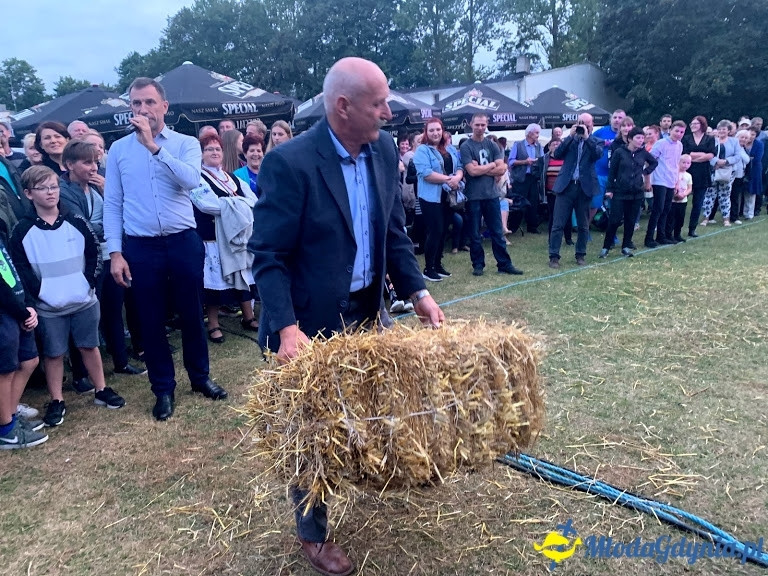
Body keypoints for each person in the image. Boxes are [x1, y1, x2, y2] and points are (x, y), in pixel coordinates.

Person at [249, 57, 443, 576]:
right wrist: (287, 327)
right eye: (378, 103)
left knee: (372, 404)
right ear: (343, 107)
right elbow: (267, 255)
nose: (388, 111)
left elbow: (393, 234)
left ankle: (372, 473)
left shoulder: (382, 150)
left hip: (365, 312)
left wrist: (418, 293)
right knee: (309, 433)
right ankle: (312, 534)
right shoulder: (289, 163)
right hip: (308, 324)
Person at [103, 76, 228, 423]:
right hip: (141, 245)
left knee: (192, 313)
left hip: (182, 240)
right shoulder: (118, 151)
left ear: (164, 107)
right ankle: (163, 389)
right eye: (136, 104)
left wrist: (155, 149)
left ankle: (200, 378)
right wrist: (115, 252)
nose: (142, 109)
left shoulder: (185, 143)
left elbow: (191, 180)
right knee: (151, 319)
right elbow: (113, 203)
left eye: (148, 103)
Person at [10, 166, 125, 427]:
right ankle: (57, 399)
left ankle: (101, 389)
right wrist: (38, 294)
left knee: (89, 346)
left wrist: (89, 283)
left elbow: (95, 252)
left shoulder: (75, 220)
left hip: (83, 299)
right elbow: (21, 268)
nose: (50, 193)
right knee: (54, 353)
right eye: (43, 188)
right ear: (28, 194)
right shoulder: (23, 230)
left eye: (54, 186)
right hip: (49, 306)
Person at [58, 140, 146, 379]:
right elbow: (79, 225)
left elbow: (124, 212)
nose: (94, 167)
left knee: (113, 311)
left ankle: (121, 362)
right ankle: (80, 373)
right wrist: (111, 227)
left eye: (96, 161)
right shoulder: (63, 190)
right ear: (69, 165)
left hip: (110, 256)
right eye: (87, 162)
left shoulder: (99, 186)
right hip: (84, 261)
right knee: (85, 316)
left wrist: (108, 193)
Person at [195, 133, 258, 343]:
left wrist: (233, 203)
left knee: (243, 274)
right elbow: (207, 205)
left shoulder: (232, 177)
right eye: (209, 149)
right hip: (212, 239)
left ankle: (248, 317)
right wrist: (237, 203)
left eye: (218, 149)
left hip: (236, 237)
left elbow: (254, 200)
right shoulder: (197, 178)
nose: (214, 152)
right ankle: (213, 324)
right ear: (201, 154)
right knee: (215, 284)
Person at [0, 217, 46, 448]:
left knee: (29, 360)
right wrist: (20, 311)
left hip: (18, 305)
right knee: (5, 369)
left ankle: (9, 416)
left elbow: (11, 267)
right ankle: (6, 431)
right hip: (6, 311)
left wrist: (28, 304)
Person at [459, 112, 523, 277]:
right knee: (475, 234)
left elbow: (502, 169)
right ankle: (478, 265)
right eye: (477, 125)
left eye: (483, 125)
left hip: (492, 196)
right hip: (473, 196)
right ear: (471, 125)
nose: (480, 128)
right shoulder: (466, 146)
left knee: (497, 232)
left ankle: (504, 264)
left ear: (486, 125)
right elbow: (471, 172)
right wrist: (491, 166)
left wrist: (482, 167)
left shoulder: (493, 145)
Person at [548, 113, 603, 269]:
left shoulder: (596, 140)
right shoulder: (570, 140)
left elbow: (597, 154)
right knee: (558, 224)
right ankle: (554, 256)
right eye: (581, 123)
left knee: (583, 225)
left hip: (584, 187)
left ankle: (580, 254)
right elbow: (557, 154)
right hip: (566, 186)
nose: (583, 126)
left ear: (592, 124)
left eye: (587, 123)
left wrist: (586, 137)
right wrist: (570, 136)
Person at [413, 118, 463, 281]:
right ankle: (429, 268)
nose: (435, 133)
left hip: (447, 197)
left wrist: (457, 177)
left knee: (442, 231)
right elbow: (426, 174)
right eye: (431, 130)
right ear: (426, 132)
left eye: (438, 130)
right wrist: (450, 179)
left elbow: (460, 167)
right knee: (434, 231)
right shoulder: (422, 151)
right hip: (430, 198)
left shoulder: (449, 149)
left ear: (442, 131)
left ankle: (438, 265)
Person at [600, 127, 657, 258]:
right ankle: (606, 247)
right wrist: (610, 189)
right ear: (630, 139)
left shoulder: (643, 153)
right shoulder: (619, 152)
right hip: (620, 192)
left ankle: (625, 246)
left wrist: (645, 173)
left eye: (642, 138)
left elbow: (654, 162)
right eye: (638, 138)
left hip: (636, 193)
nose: (641, 140)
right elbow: (612, 172)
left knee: (631, 221)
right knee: (614, 220)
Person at [645, 120, 685, 246]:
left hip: (671, 180)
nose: (679, 134)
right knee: (658, 209)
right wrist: (648, 180)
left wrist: (677, 182)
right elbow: (650, 160)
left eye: (682, 132)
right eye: (677, 131)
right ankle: (649, 237)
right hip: (659, 179)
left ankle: (661, 236)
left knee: (666, 209)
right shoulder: (661, 144)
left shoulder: (679, 145)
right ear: (671, 130)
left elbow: (676, 164)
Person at [700, 120, 744, 228]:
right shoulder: (712, 140)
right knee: (710, 194)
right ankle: (706, 218)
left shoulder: (734, 141)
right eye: (719, 129)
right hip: (713, 170)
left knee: (725, 195)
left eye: (724, 129)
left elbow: (738, 156)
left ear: (728, 130)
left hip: (728, 171)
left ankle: (726, 219)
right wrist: (716, 162)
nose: (721, 131)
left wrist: (726, 161)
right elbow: (707, 154)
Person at [681, 116, 715, 237]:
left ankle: (692, 229)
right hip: (688, 172)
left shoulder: (709, 139)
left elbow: (711, 155)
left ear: (702, 124)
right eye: (692, 123)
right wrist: (701, 155)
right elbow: (685, 154)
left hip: (703, 173)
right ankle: (676, 228)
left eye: (696, 123)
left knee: (698, 203)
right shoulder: (686, 138)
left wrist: (694, 157)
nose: (693, 125)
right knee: (681, 200)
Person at [591, 109, 626, 223]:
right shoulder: (601, 132)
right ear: (611, 119)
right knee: (595, 203)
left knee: (615, 204)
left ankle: (611, 229)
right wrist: (602, 142)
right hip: (600, 173)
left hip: (617, 175)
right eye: (615, 117)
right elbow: (589, 142)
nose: (617, 120)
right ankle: (585, 228)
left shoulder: (626, 135)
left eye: (620, 118)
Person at [509, 123, 543, 233]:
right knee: (518, 202)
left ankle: (532, 226)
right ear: (530, 133)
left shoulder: (539, 146)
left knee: (534, 202)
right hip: (520, 178)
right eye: (536, 133)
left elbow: (542, 160)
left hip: (533, 178)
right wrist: (525, 161)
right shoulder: (518, 145)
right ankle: (513, 226)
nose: (538, 135)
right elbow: (511, 161)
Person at [670, 154, 693, 242]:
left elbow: (689, 188)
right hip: (673, 200)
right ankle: (669, 234)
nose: (685, 165)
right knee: (671, 218)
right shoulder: (674, 173)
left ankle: (677, 234)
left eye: (688, 163)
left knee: (680, 218)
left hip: (683, 200)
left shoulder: (688, 175)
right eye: (683, 162)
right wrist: (675, 194)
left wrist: (684, 194)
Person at [743, 127, 764, 220]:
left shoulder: (759, 144)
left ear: (756, 136)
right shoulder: (742, 143)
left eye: (753, 135)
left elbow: (757, 158)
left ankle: (749, 213)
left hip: (754, 170)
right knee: (742, 191)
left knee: (752, 192)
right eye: (749, 134)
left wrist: (747, 159)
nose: (750, 136)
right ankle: (741, 212)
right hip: (743, 170)